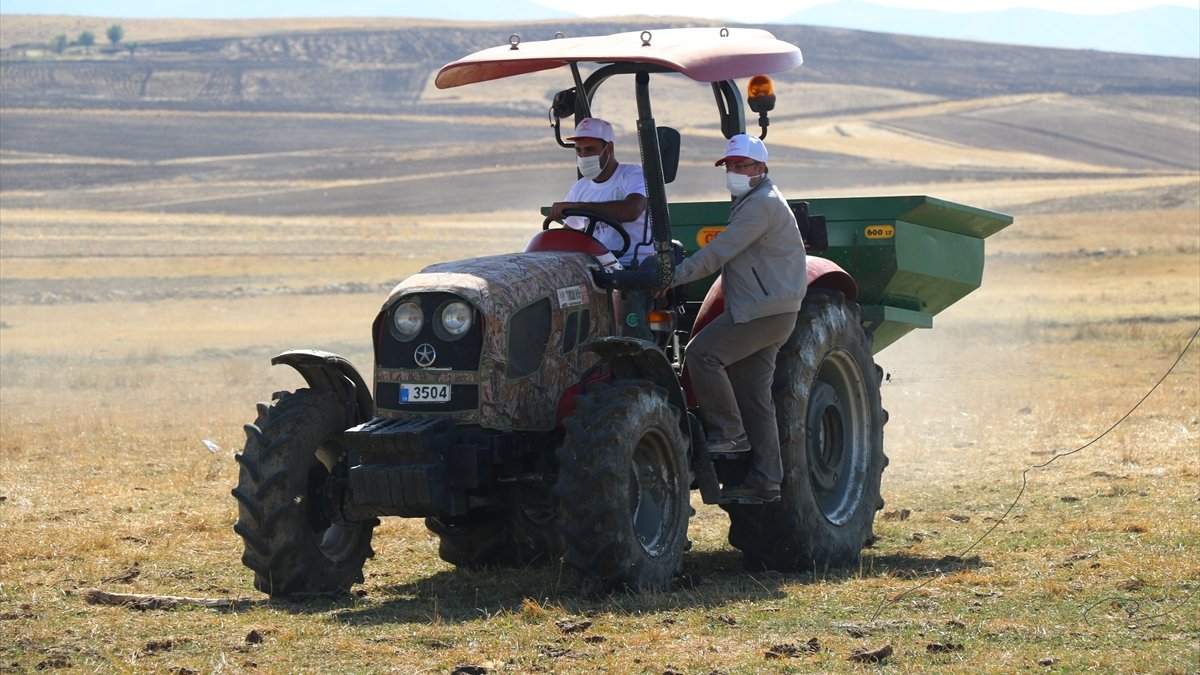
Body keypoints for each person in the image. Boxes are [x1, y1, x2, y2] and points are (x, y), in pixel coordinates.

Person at [672, 134, 807, 503]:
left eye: (742, 166)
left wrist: (672, 276)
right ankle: (766, 481)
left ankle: (729, 433)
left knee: (701, 354)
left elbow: (719, 251)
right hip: (775, 310)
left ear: (761, 169)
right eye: (730, 166)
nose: (734, 172)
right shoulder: (757, 199)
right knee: (754, 396)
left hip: (762, 311)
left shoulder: (759, 205)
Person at [548, 117, 650, 269]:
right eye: (579, 150)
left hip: (635, 266)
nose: (583, 156)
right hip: (598, 267)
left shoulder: (633, 175)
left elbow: (631, 210)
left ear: (609, 148)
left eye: (590, 150)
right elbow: (569, 235)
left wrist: (580, 207)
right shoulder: (580, 188)